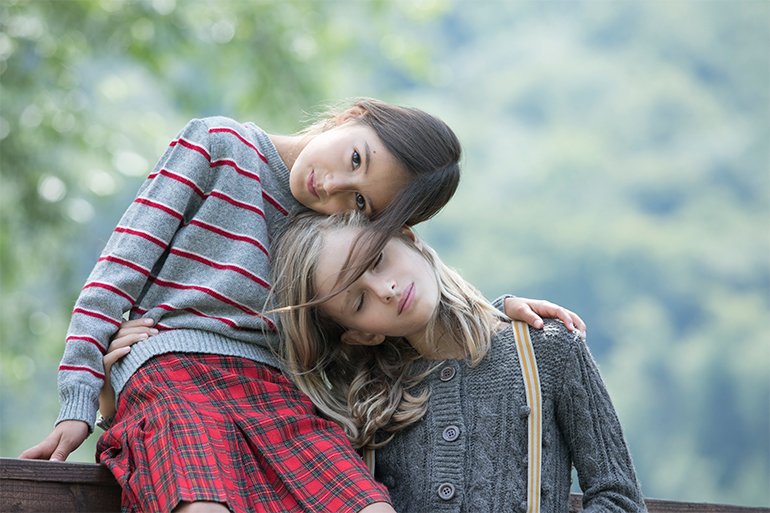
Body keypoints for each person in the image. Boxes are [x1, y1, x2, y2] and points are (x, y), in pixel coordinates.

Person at [21, 98, 582, 513]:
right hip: (174, 372)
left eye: (359, 200)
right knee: (201, 501)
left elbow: (403, 287)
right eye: (356, 157)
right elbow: (116, 274)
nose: (332, 184)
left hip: (278, 391)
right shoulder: (218, 145)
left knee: (366, 505)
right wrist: (78, 401)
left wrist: (493, 310)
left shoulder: (329, 228)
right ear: (352, 116)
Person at [266, 211, 646, 512]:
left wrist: (496, 313)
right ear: (362, 333)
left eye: (377, 260)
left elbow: (620, 498)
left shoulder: (547, 348)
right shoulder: (363, 411)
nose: (385, 290)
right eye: (359, 301)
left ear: (407, 236)